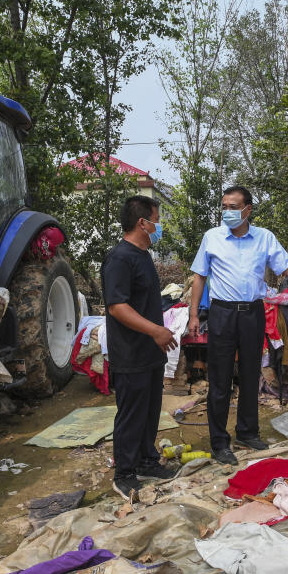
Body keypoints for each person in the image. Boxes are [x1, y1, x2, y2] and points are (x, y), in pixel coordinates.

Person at [188, 186, 288, 465]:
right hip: (222, 312)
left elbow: (284, 266)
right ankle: (220, 442)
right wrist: (195, 315)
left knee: (250, 373)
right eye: (224, 206)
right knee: (220, 380)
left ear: (248, 210)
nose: (227, 212)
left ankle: (247, 432)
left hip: (253, 313)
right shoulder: (212, 237)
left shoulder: (264, 237)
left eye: (233, 207)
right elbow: (199, 278)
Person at [102, 195, 178, 500]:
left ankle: (147, 461)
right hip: (130, 353)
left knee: (150, 412)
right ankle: (125, 474)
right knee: (131, 415)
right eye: (156, 220)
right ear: (142, 223)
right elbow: (117, 307)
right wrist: (156, 330)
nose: (159, 226)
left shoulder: (143, 256)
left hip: (150, 354)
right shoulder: (119, 258)